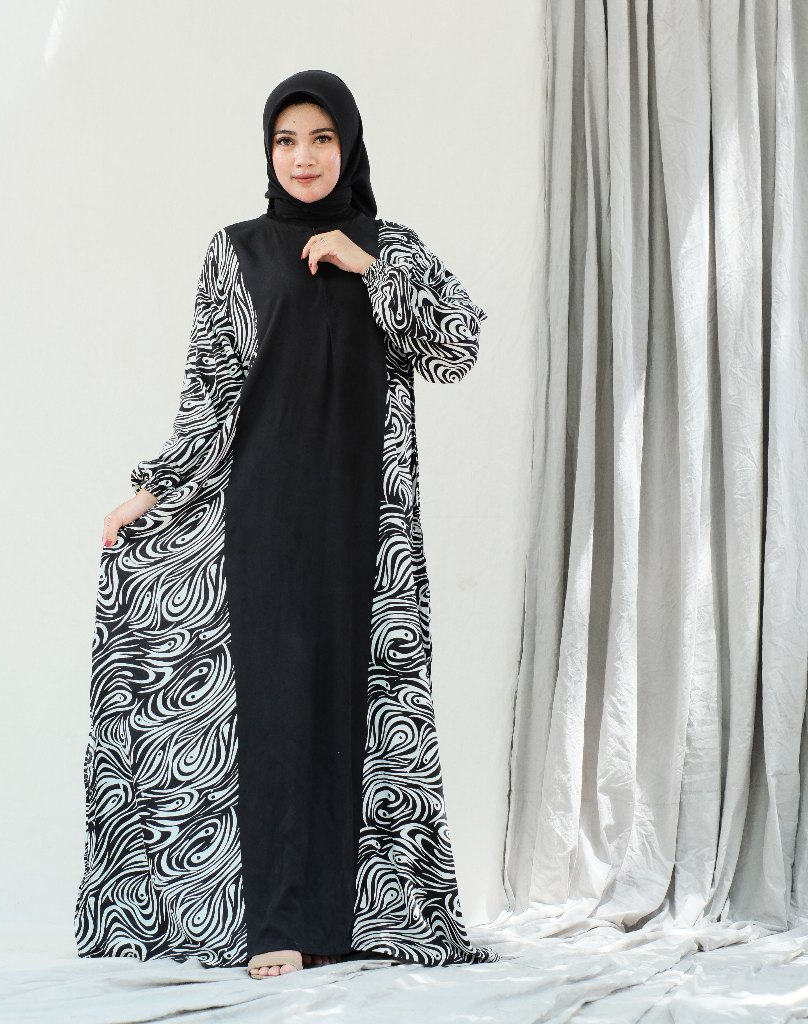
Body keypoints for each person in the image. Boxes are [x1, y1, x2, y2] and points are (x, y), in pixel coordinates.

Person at [75, 69, 499, 980]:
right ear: (268, 151)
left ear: (349, 146)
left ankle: (348, 920)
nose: (302, 157)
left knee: (353, 708)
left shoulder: (392, 247)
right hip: (261, 514)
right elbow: (211, 391)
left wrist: (367, 265)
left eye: (321, 139)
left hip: (365, 526)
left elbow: (458, 344)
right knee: (268, 710)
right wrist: (153, 490)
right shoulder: (238, 252)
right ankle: (274, 921)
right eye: (285, 140)